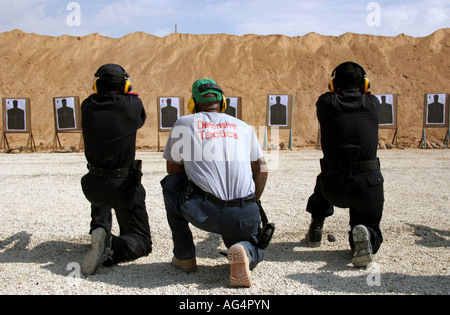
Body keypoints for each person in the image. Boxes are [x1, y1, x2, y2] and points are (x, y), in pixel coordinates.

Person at [161, 78, 268, 287]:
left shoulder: (184, 123)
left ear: (193, 103)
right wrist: (253, 202)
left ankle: (185, 257)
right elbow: (262, 169)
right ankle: (245, 251)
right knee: (250, 243)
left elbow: (173, 170)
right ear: (223, 103)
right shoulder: (245, 127)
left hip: (206, 213)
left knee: (171, 185)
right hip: (244, 213)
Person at [305, 61, 384, 268]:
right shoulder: (374, 103)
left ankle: (316, 226)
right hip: (368, 185)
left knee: (321, 183)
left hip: (333, 185)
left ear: (333, 86)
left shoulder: (325, 103)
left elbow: (331, 96)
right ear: (365, 85)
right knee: (369, 225)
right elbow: (364, 95)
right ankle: (364, 236)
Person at [80, 63, 152, 275]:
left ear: (97, 85)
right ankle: (110, 245)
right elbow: (139, 121)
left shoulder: (87, 105)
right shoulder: (133, 104)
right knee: (142, 241)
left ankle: (99, 231)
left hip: (93, 186)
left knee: (102, 183)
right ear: (126, 86)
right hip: (123, 187)